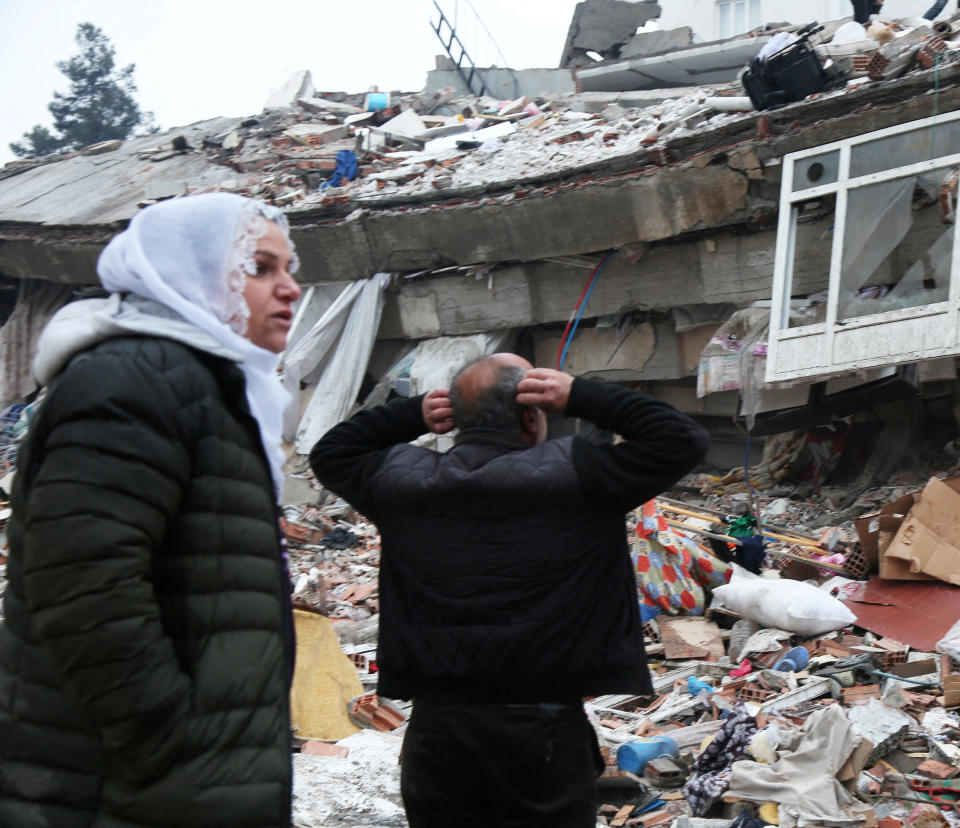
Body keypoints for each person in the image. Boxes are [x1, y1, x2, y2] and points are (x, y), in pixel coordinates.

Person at [0, 193, 302, 827]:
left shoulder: (206, 385)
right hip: (119, 789)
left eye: (289, 267)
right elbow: (84, 585)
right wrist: (166, 741)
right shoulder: (136, 377)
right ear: (189, 273)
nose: (291, 289)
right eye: (261, 268)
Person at [310, 353, 710, 826]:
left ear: (453, 417)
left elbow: (330, 453)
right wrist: (581, 396)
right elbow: (683, 438)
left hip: (438, 734)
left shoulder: (401, 480)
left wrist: (409, 414)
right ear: (530, 415)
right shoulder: (581, 474)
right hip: (541, 735)